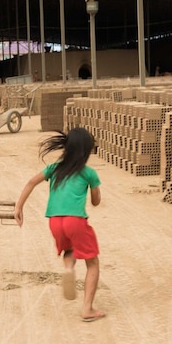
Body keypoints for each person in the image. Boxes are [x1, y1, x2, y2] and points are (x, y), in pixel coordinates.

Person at [14, 128, 105, 322]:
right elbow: (96, 201)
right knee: (93, 263)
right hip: (76, 221)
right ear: (86, 151)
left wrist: (18, 207)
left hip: (55, 221)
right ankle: (87, 309)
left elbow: (31, 182)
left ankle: (68, 269)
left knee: (69, 250)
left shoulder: (54, 168)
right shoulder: (88, 173)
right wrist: (94, 189)